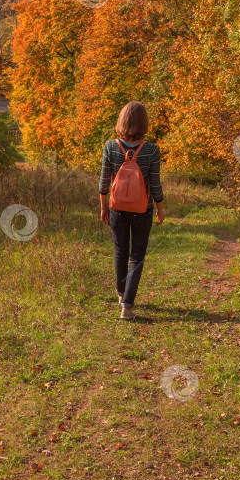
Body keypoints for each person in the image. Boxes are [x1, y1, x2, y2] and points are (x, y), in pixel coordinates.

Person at [99, 101, 164, 320]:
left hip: (116, 208)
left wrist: (103, 207)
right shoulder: (152, 150)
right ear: (144, 122)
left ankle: (121, 294)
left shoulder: (110, 146)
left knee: (120, 252)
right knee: (137, 256)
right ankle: (127, 306)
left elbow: (104, 181)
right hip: (142, 210)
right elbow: (155, 184)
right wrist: (160, 208)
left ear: (122, 120)